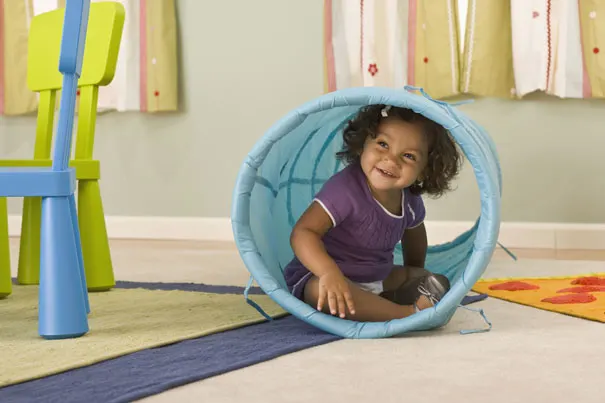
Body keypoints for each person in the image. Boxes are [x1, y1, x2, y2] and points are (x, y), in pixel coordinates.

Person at [283, 104, 463, 322]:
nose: (391, 160)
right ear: (362, 144)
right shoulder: (344, 189)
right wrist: (328, 272)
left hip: (377, 275)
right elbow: (303, 232)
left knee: (433, 280)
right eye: (383, 144)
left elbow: (414, 235)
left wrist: (414, 273)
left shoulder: (409, 197)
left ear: (424, 171)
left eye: (408, 156)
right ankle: (406, 314)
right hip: (324, 275)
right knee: (319, 291)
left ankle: (384, 303)